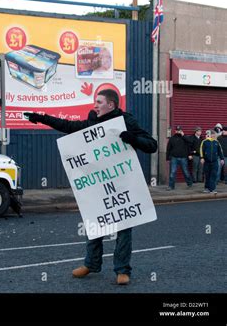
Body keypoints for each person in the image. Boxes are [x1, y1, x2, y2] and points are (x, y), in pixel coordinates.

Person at [24, 89, 157, 285]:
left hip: (121, 185)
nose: (95, 105)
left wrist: (132, 138)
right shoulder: (93, 121)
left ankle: (122, 270)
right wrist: (41, 118)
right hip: (98, 185)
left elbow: (151, 145)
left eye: (99, 102)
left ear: (111, 105)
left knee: (123, 229)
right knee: (95, 225)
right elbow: (68, 126)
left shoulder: (126, 121)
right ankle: (91, 264)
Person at [166, 126, 193, 190]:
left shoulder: (185, 138)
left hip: (183, 157)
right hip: (174, 158)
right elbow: (168, 148)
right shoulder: (172, 138)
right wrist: (167, 158)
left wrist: (183, 136)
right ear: (175, 131)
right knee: (172, 172)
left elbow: (190, 143)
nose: (178, 131)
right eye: (177, 130)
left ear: (181, 131)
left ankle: (189, 183)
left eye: (179, 130)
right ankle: (171, 186)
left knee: (185, 172)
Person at [200, 129, 224, 194]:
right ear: (210, 135)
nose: (214, 135)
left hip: (215, 161)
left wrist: (222, 159)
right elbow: (201, 150)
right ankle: (207, 188)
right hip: (207, 162)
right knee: (207, 175)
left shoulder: (216, 142)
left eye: (215, 134)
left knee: (213, 175)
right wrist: (202, 158)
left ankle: (212, 189)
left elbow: (220, 151)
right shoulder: (204, 142)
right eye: (213, 134)